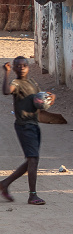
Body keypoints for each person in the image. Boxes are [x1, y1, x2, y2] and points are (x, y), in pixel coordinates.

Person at [1, 56, 55, 205]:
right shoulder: (16, 83)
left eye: (24, 65)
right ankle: (32, 195)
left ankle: (4, 184)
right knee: (32, 159)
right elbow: (6, 91)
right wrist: (6, 73)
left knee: (33, 159)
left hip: (34, 125)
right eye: (18, 66)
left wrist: (50, 99)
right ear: (14, 67)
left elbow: (39, 101)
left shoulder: (32, 83)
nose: (22, 68)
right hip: (24, 125)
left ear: (28, 67)